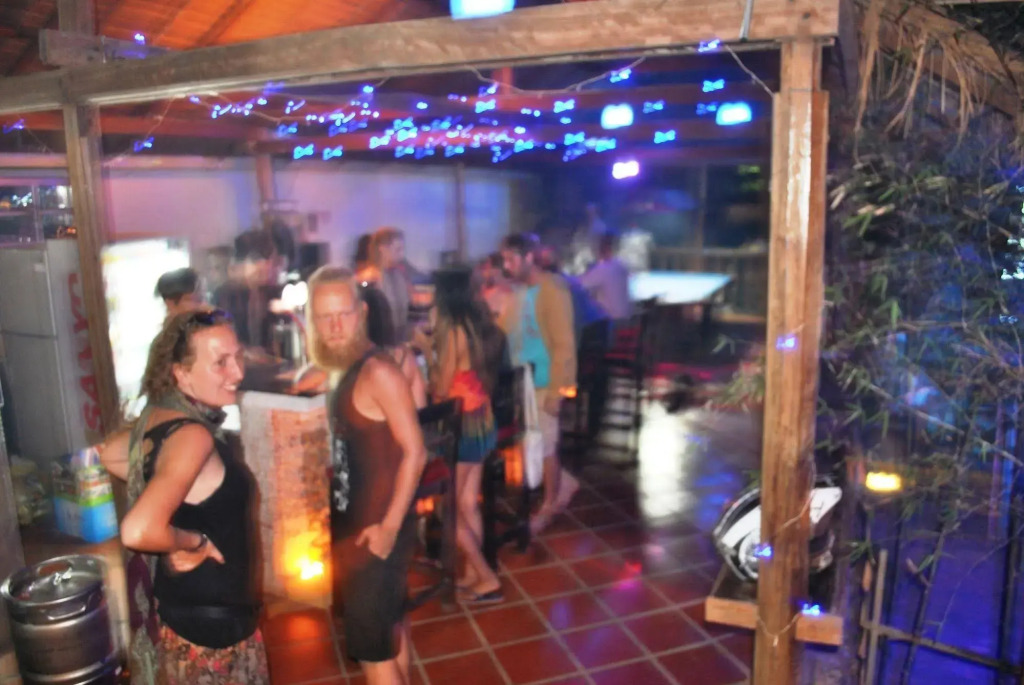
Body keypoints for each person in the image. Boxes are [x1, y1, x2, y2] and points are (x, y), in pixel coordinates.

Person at [109, 308, 267, 684]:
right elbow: (138, 530)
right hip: (215, 642)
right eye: (220, 363)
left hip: (185, 623)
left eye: (238, 357)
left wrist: (169, 488)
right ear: (181, 373)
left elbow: (110, 453)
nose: (238, 373)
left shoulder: (160, 417)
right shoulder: (192, 437)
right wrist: (192, 541)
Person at [307, 266, 427, 685]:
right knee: (388, 633)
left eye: (343, 314)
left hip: (376, 534)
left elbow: (416, 452)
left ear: (361, 313)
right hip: (362, 530)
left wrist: (388, 529)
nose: (335, 326)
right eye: (325, 317)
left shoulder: (378, 372)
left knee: (373, 655)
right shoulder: (352, 366)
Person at [425, 268, 501, 603]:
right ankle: (473, 575)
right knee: (468, 503)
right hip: (482, 418)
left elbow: (441, 388)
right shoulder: (476, 323)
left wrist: (426, 349)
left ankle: (487, 577)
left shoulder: (455, 331)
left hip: (464, 426)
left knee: (449, 511)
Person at [499, 233, 580, 535]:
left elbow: (564, 344)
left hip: (545, 379)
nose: (506, 266)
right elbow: (505, 329)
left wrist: (559, 391)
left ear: (528, 258)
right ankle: (564, 483)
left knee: (545, 446)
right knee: (535, 442)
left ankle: (548, 506)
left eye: (510, 260)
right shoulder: (521, 291)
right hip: (524, 379)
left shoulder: (552, 289)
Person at [371, 228, 413, 342]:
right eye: (398, 250)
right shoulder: (372, 278)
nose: (402, 255)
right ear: (382, 249)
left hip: (400, 340)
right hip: (382, 342)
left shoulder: (400, 274)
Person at [579, 232, 633, 321]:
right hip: (627, 318)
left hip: (611, 319)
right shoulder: (621, 265)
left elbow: (580, 284)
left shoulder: (603, 268)